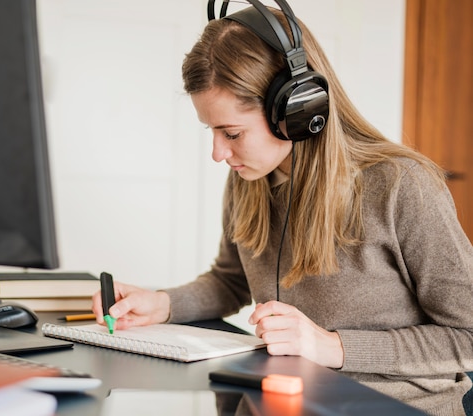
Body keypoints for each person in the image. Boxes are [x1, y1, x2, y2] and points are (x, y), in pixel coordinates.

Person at [91, 2, 473, 415]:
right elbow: (230, 280)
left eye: (232, 133)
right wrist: (163, 303)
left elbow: (467, 335)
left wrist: (332, 347)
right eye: (213, 131)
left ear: (296, 109)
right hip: (278, 402)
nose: (218, 153)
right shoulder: (249, 180)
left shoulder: (401, 185)